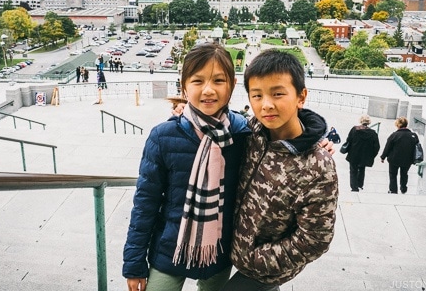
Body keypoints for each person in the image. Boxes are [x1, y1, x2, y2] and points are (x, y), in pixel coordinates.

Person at [123, 43, 251, 291]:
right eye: (197, 81)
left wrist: (317, 140)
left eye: (218, 80)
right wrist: (134, 263)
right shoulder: (163, 136)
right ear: (183, 86)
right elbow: (145, 204)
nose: (208, 90)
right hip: (169, 248)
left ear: (232, 85)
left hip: (220, 252)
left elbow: (284, 134)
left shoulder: (243, 134)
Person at [222, 49, 339, 291]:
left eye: (278, 94)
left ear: (301, 96)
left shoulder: (318, 167)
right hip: (232, 248)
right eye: (257, 95)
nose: (266, 105)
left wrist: (258, 259)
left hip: (262, 272)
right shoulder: (253, 131)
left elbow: (316, 238)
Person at [380, 117, 419, 194]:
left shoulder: (394, 135)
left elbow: (387, 147)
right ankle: (403, 188)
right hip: (407, 160)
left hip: (394, 159)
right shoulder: (413, 135)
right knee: (404, 173)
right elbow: (416, 147)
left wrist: (383, 157)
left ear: (398, 125)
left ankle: (393, 190)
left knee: (393, 174)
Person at [343, 115, 380, 192]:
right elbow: (377, 146)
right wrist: (372, 155)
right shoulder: (373, 133)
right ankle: (360, 185)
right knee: (362, 170)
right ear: (369, 122)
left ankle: (354, 187)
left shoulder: (354, 129)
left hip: (354, 154)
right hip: (365, 155)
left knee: (353, 170)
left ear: (361, 121)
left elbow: (349, 140)